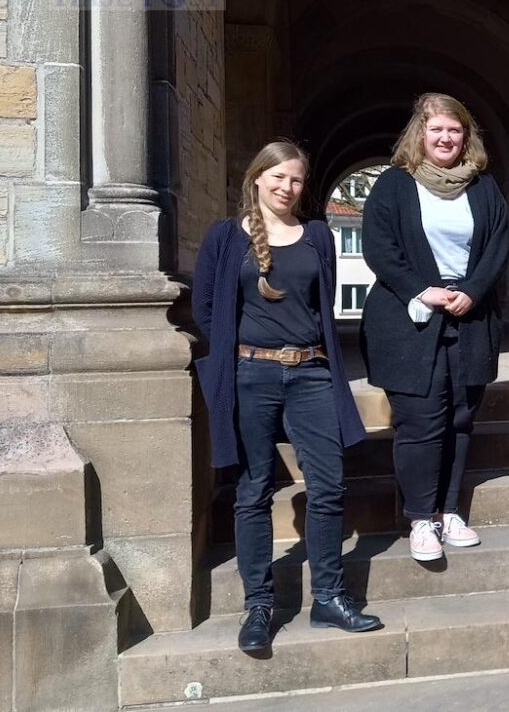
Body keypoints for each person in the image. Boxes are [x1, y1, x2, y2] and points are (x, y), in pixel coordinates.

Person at [192, 140, 381, 654]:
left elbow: (321, 304)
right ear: (257, 178)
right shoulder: (225, 238)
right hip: (251, 375)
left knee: (328, 486)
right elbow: (206, 310)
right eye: (278, 177)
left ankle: (328, 597)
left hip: (312, 373)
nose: (286, 187)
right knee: (253, 490)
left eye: (296, 180)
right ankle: (259, 606)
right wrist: (237, 359)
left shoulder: (318, 235)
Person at [361, 93, 509, 562]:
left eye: (455, 130)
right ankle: (421, 518)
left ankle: (449, 510)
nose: (446, 138)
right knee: (421, 422)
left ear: (467, 137)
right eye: (436, 129)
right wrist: (421, 289)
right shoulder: (394, 185)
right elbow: (380, 248)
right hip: (411, 321)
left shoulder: (484, 187)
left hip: (470, 316)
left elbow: (499, 245)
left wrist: (474, 290)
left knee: (461, 419)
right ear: (419, 135)